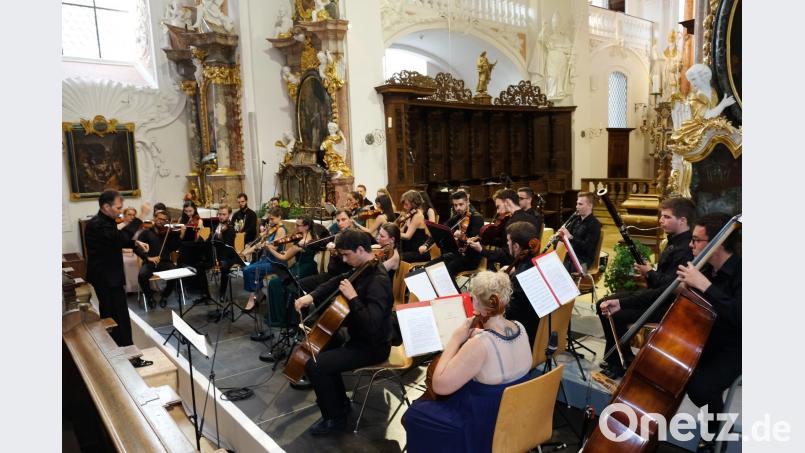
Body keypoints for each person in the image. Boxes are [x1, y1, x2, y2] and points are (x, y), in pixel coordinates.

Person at [404, 271, 532, 452]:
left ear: (478, 303)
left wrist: (455, 340)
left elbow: (439, 385)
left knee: (417, 414)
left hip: (486, 420)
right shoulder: (520, 327)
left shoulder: (480, 345)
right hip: (517, 412)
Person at [293, 229, 394, 435]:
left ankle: (335, 419)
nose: (345, 261)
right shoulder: (363, 267)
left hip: (373, 346)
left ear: (360, 249)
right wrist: (310, 297)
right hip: (358, 338)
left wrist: (354, 298)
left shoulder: (378, 280)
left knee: (315, 366)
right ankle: (340, 405)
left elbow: (373, 327)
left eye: (347, 255)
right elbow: (335, 281)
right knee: (319, 351)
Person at [597, 197, 696, 378]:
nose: (661, 220)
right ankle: (620, 358)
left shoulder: (686, 248)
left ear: (683, 221)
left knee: (614, 311)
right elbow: (661, 281)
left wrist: (650, 273)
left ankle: (620, 362)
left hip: (670, 305)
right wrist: (648, 273)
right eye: (661, 216)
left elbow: (669, 288)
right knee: (602, 303)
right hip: (658, 296)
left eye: (666, 217)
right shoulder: (674, 241)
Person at [677, 213, 740, 447]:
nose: (691, 245)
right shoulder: (705, 269)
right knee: (678, 373)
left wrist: (704, 285)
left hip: (737, 347)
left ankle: (718, 430)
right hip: (708, 339)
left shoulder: (744, 271)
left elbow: (739, 316)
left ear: (718, 243)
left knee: (701, 387)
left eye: (696, 240)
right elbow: (666, 295)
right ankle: (717, 428)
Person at [84, 190, 150, 366]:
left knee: (115, 316)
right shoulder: (98, 224)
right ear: (106, 206)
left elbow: (116, 241)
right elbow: (118, 240)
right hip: (106, 277)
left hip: (108, 275)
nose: (120, 211)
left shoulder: (105, 221)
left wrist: (135, 242)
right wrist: (141, 216)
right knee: (117, 318)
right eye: (118, 208)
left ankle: (120, 355)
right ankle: (128, 358)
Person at [261, 216, 320, 326]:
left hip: (302, 269)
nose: (295, 227)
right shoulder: (313, 237)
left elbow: (283, 258)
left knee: (274, 283)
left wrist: (269, 248)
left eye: (298, 225)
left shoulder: (301, 242)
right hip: (310, 268)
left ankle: (280, 318)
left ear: (306, 226)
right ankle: (286, 314)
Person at [467, 188, 540, 269]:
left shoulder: (512, 223)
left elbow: (508, 256)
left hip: (513, 268)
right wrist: (482, 239)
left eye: (498, 207)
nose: (497, 212)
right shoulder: (532, 218)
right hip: (528, 265)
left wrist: (482, 250)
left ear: (507, 202)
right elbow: (504, 242)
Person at [421, 190, 484, 276]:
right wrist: (426, 244)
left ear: (467, 202)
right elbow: (440, 229)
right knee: (428, 267)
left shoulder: (476, 218)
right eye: (455, 205)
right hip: (457, 255)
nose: (458, 208)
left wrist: (462, 237)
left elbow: (474, 241)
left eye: (461, 204)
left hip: (470, 258)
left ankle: (449, 289)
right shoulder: (457, 217)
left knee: (443, 271)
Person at [134, 210, 186, 308]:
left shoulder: (169, 233)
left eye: (164, 220)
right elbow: (136, 248)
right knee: (142, 276)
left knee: (174, 273)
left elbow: (173, 248)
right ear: (155, 218)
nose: (160, 221)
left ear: (167, 221)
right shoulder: (146, 232)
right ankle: (149, 297)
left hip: (165, 262)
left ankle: (165, 296)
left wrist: (181, 235)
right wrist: (148, 258)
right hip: (149, 262)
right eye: (159, 218)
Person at [502, 221, 541, 347]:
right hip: (541, 332)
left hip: (524, 339)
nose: (507, 243)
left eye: (509, 241)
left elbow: (509, 313)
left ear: (516, 246)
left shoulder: (520, 278)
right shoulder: (537, 263)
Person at [241, 207, 287, 310]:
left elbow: (274, 247)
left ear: (279, 217)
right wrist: (245, 251)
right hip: (266, 259)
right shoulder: (271, 229)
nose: (270, 221)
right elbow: (259, 243)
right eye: (269, 219)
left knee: (250, 270)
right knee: (246, 269)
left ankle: (252, 298)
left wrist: (264, 244)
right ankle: (260, 294)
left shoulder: (281, 230)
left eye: (272, 219)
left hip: (275, 262)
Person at [558, 192, 601, 272]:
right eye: (577, 204)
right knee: (550, 263)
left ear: (590, 206)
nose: (577, 207)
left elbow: (587, 248)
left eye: (580, 204)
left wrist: (570, 237)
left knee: (560, 269)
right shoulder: (575, 220)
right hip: (571, 256)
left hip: (585, 263)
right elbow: (566, 240)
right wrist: (561, 237)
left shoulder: (595, 224)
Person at [399, 190, 430, 263]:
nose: (404, 207)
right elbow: (401, 231)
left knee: (397, 258)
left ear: (414, 203)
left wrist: (394, 233)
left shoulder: (418, 216)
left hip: (418, 252)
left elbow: (407, 236)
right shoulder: (410, 214)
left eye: (406, 204)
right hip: (409, 250)